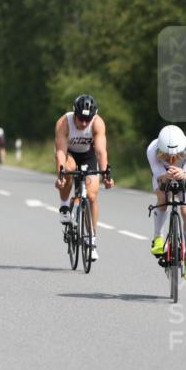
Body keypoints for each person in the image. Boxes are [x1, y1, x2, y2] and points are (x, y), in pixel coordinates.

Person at [54, 94, 114, 261]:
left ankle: (91, 239)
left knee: (93, 195)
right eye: (81, 118)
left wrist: (106, 173)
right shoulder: (64, 122)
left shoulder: (98, 123)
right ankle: (65, 206)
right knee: (68, 170)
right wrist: (60, 174)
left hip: (88, 155)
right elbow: (60, 151)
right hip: (69, 153)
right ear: (75, 114)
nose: (84, 123)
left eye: (88, 119)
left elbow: (101, 151)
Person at [146, 124, 186, 282]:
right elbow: (158, 176)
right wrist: (166, 176)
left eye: (176, 155)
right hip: (163, 177)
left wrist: (182, 174)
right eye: (166, 156)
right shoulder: (151, 150)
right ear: (159, 150)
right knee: (162, 198)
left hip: (185, 178)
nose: (171, 160)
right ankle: (158, 237)